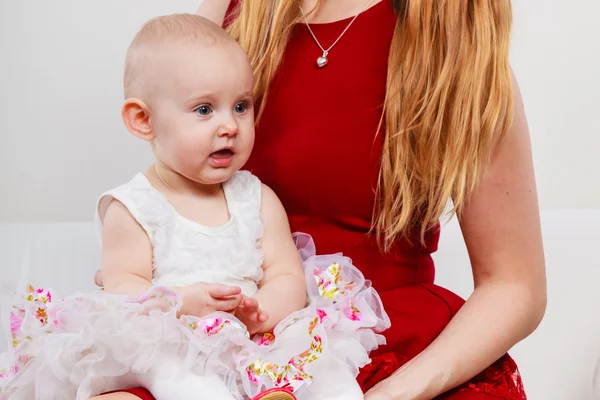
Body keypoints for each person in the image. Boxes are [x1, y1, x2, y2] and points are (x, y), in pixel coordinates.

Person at [97, 0, 548, 399]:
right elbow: (174, 171)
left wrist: (397, 391)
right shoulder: (234, 12)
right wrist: (143, 282)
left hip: (393, 345)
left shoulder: (458, 42)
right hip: (228, 338)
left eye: (241, 107)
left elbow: (514, 285)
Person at [0, 14, 391, 400]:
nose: (230, 126)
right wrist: (183, 303)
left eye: (241, 106)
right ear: (143, 121)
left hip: (253, 335)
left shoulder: (256, 198)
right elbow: (122, 290)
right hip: (175, 338)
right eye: (204, 110)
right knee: (180, 377)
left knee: (325, 366)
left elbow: (286, 272)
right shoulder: (134, 208)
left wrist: (262, 312)